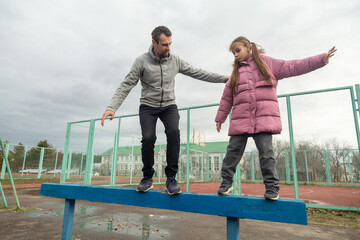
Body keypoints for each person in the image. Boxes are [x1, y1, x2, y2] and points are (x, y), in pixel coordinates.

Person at [101, 26, 227, 195]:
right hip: (148, 106)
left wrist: (223, 78)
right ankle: (147, 177)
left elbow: (197, 72)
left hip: (169, 105)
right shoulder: (141, 61)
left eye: (170, 44)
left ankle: (171, 178)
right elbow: (126, 84)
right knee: (148, 138)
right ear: (154, 43)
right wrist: (112, 107)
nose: (168, 48)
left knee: (173, 132)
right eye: (164, 44)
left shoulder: (175, 60)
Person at [215, 36, 336, 200]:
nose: (235, 55)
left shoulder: (267, 63)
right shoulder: (236, 73)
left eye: (238, 50)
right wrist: (220, 117)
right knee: (233, 151)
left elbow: (293, 66)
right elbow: (227, 97)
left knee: (266, 153)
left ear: (248, 47)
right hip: (241, 118)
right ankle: (226, 183)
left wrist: (321, 59)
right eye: (233, 53)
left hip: (263, 118)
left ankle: (272, 188)